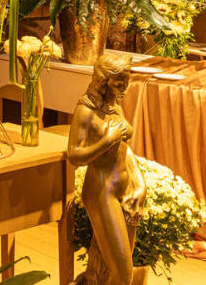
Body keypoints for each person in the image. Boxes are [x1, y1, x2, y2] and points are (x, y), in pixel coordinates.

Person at [67, 53, 146, 285]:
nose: (125, 86)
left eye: (126, 79)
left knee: (120, 267)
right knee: (123, 273)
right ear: (103, 80)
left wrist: (139, 183)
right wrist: (106, 140)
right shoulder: (86, 110)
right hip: (102, 193)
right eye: (119, 81)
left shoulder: (114, 104)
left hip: (124, 189)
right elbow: (74, 155)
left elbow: (125, 148)